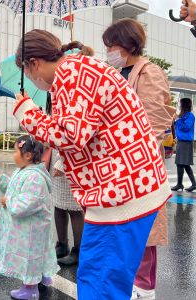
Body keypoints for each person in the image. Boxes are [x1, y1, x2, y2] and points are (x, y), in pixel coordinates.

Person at [13, 29, 171, 299]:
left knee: (99, 284)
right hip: (130, 187)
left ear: (34, 63)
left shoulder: (71, 75)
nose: (30, 79)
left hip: (120, 195)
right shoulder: (78, 69)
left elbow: (72, 136)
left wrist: (27, 113)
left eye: (26, 72)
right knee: (102, 278)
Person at [102, 18, 176, 299]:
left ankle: (144, 289)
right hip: (116, 163)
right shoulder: (115, 73)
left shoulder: (149, 72)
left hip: (139, 165)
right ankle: (128, 284)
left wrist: (127, 149)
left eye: (112, 45)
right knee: (122, 229)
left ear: (128, 44)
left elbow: (155, 120)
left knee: (142, 228)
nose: (108, 50)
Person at [0, 135, 59, 300]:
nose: (13, 155)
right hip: (28, 228)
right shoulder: (24, 172)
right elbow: (14, 189)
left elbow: (27, 203)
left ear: (27, 155)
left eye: (15, 151)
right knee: (37, 255)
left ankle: (30, 288)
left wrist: (8, 202)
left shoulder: (34, 177)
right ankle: (41, 277)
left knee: (30, 256)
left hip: (31, 230)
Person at [43, 99, 84, 266]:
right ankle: (62, 244)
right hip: (56, 158)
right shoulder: (55, 100)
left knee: (74, 208)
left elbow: (74, 136)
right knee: (58, 205)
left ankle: (79, 250)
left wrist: (62, 162)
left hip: (71, 160)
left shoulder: (72, 101)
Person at [171, 98, 196, 192]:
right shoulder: (183, 115)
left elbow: (186, 127)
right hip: (181, 142)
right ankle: (180, 184)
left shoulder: (190, 116)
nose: (179, 105)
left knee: (183, 164)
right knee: (180, 164)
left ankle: (189, 184)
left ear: (184, 105)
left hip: (186, 142)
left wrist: (178, 119)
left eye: (180, 104)